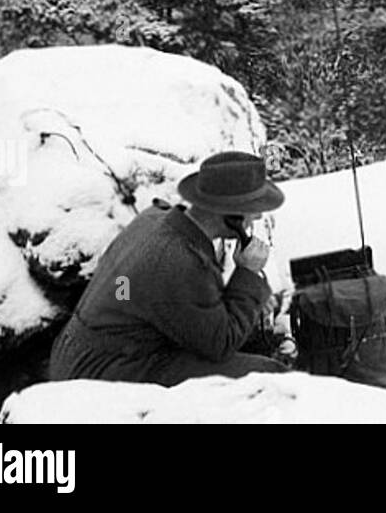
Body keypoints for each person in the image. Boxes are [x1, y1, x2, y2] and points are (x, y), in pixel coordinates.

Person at [49, 151, 287, 386]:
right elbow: (221, 344)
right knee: (269, 377)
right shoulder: (178, 261)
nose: (258, 216)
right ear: (230, 215)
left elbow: (130, 292)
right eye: (253, 207)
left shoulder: (155, 219)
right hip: (106, 369)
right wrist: (247, 275)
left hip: (81, 354)